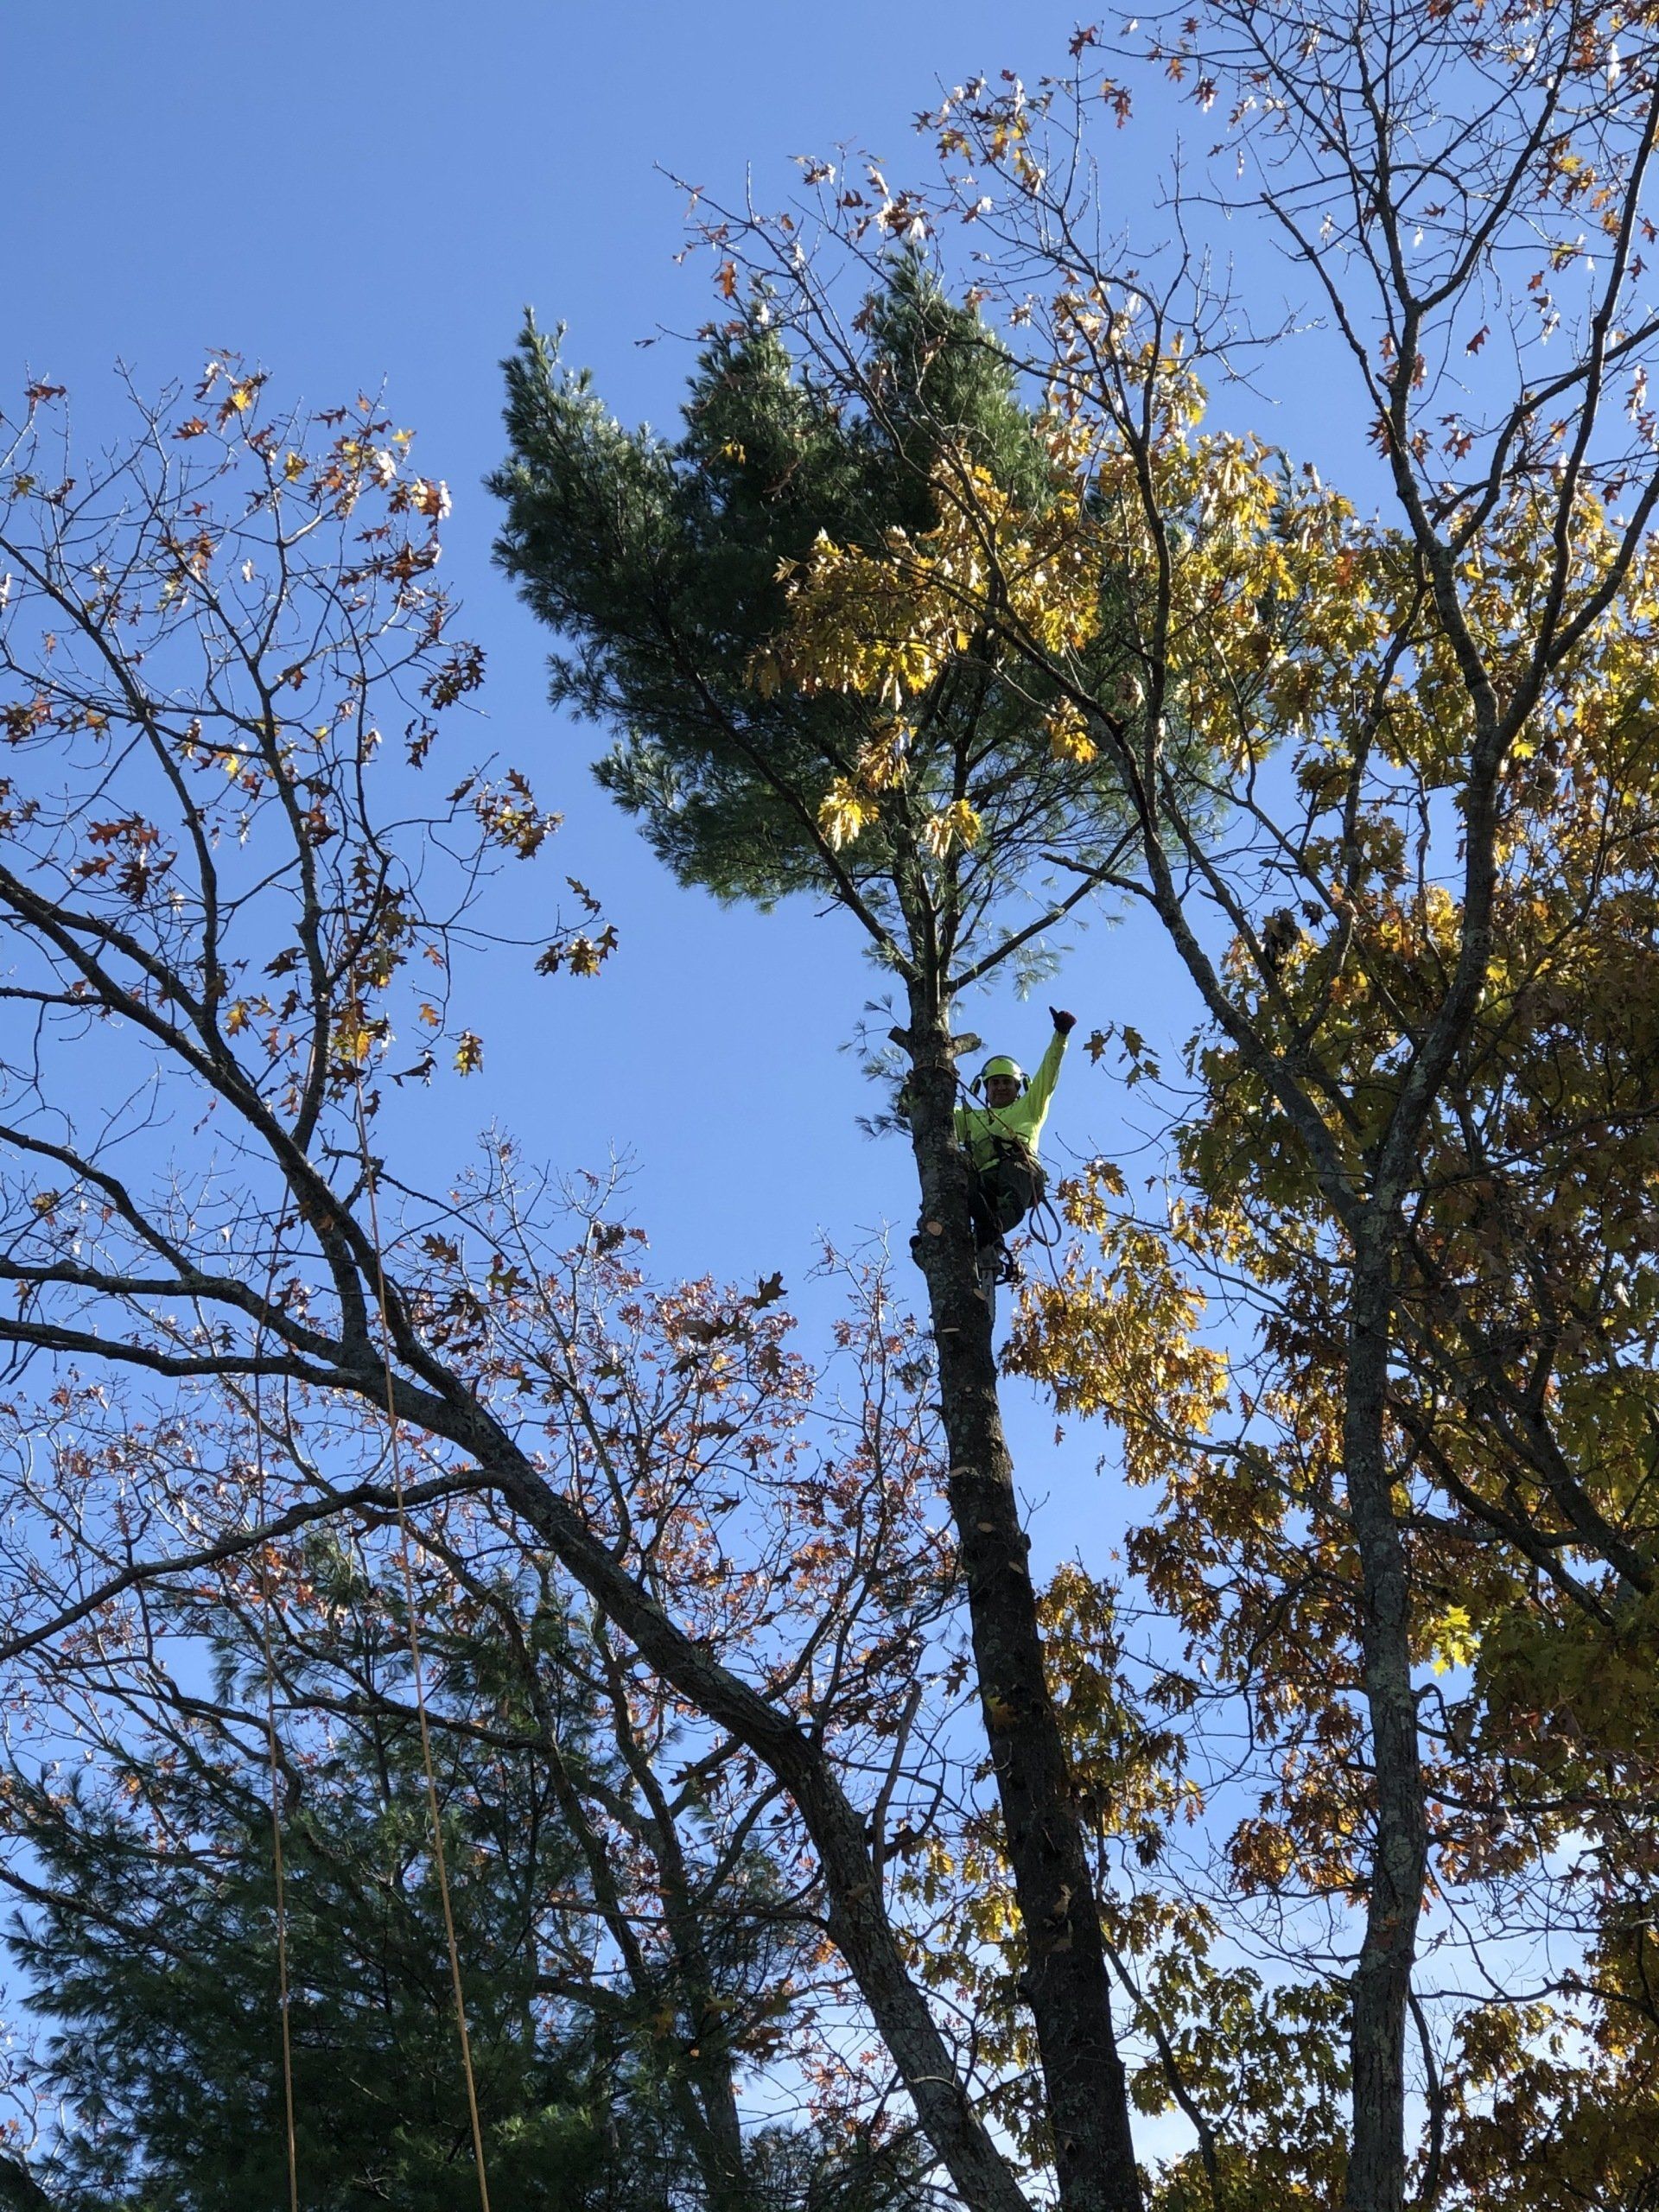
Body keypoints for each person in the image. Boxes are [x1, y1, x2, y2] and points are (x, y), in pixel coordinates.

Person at [956, 1006, 1076, 1307]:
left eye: (1006, 1082)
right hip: (984, 1180)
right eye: (995, 1082)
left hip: (1019, 1172)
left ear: (1018, 1086)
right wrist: (912, 1096)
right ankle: (941, 1242)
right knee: (954, 1185)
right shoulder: (970, 1117)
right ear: (985, 1087)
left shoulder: (1030, 1108)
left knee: (1011, 1182)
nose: (1000, 1087)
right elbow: (934, 1118)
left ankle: (993, 1226)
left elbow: (1049, 1074)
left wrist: (1060, 1035)